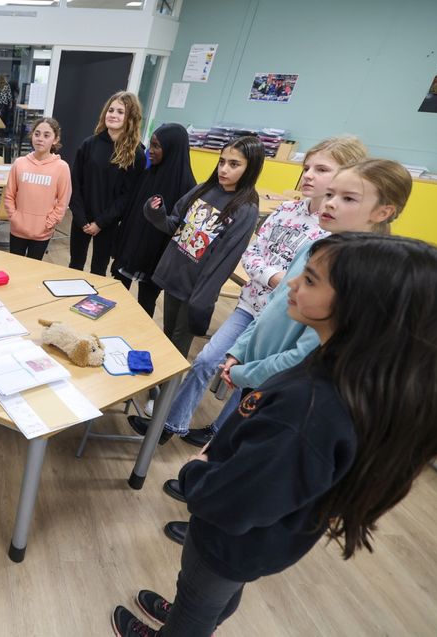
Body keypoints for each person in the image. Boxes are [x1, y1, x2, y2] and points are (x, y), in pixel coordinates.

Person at [111, 232, 437, 637]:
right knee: (213, 596)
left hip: (230, 539)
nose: (292, 283)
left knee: (199, 598)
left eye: (312, 280)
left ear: (364, 307)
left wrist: (195, 473)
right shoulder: (348, 369)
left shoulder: (310, 410)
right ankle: (190, 613)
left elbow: (234, 503)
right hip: (262, 541)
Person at [158, 159, 412, 547]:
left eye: (346, 198)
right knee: (230, 446)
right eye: (330, 194)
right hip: (254, 372)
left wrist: (245, 373)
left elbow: (303, 355)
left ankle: (208, 526)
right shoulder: (315, 245)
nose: (329, 203)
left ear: (382, 212)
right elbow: (273, 305)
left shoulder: (359, 280)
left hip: (278, 384)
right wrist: (239, 353)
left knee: (245, 463)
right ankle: (205, 501)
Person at [128, 136, 368, 446]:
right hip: (251, 306)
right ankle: (171, 423)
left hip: (286, 322)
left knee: (251, 381)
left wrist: (281, 280)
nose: (307, 175)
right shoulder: (287, 210)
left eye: (320, 169)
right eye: (307, 167)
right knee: (208, 360)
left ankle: (219, 433)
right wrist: (275, 277)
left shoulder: (334, 232)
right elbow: (252, 254)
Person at [139, 136, 264, 363]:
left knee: (178, 344)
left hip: (195, 290)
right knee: (167, 333)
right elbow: (173, 225)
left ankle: (166, 395)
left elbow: (224, 262)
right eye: (222, 161)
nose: (224, 169)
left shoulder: (246, 209)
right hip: (174, 277)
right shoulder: (203, 190)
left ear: (251, 167)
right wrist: (156, 214)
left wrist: (201, 299)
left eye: (234, 164)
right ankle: (158, 385)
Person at [111, 123, 196, 316]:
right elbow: (132, 214)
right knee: (116, 294)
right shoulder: (148, 174)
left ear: (172, 149)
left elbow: (179, 229)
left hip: (156, 258)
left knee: (145, 304)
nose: (150, 151)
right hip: (131, 248)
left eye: (157, 146)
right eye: (151, 144)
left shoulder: (188, 187)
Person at [68, 91, 145, 275]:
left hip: (108, 223)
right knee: (75, 265)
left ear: (130, 118)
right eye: (111, 110)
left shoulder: (136, 154)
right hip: (82, 219)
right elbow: (75, 183)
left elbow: (127, 196)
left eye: (120, 112)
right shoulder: (89, 144)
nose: (113, 115)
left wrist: (101, 223)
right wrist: (80, 218)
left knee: (99, 270)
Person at [3, 117, 71, 260]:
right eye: (37, 134)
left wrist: (49, 223)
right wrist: (14, 218)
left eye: (46, 135)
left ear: (55, 139)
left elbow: (63, 201)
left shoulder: (62, 167)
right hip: (18, 229)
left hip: (42, 232)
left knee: (33, 270)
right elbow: (9, 194)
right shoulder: (19, 163)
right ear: (32, 135)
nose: (40, 139)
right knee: (15, 267)